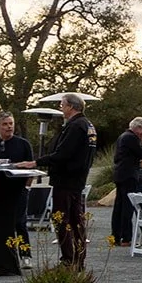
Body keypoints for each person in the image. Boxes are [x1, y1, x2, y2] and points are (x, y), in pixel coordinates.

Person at [30, 93, 97, 268]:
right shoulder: (88, 125)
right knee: (76, 221)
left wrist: (37, 162)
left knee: (62, 219)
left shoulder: (76, 127)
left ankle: (69, 259)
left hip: (66, 179)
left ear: (71, 107)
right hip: (77, 179)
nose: (61, 108)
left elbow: (63, 154)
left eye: (62, 104)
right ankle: (78, 260)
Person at [0, 112, 35, 261]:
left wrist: (27, 187)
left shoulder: (23, 144)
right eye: (5, 124)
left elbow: (31, 168)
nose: (9, 127)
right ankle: (4, 257)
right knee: (0, 223)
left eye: (11, 123)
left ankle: (25, 255)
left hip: (19, 189)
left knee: (20, 222)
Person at [110, 116, 142, 247]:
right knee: (127, 206)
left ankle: (116, 236)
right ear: (138, 128)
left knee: (119, 206)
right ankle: (125, 237)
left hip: (120, 174)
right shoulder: (131, 138)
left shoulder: (123, 136)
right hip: (128, 175)